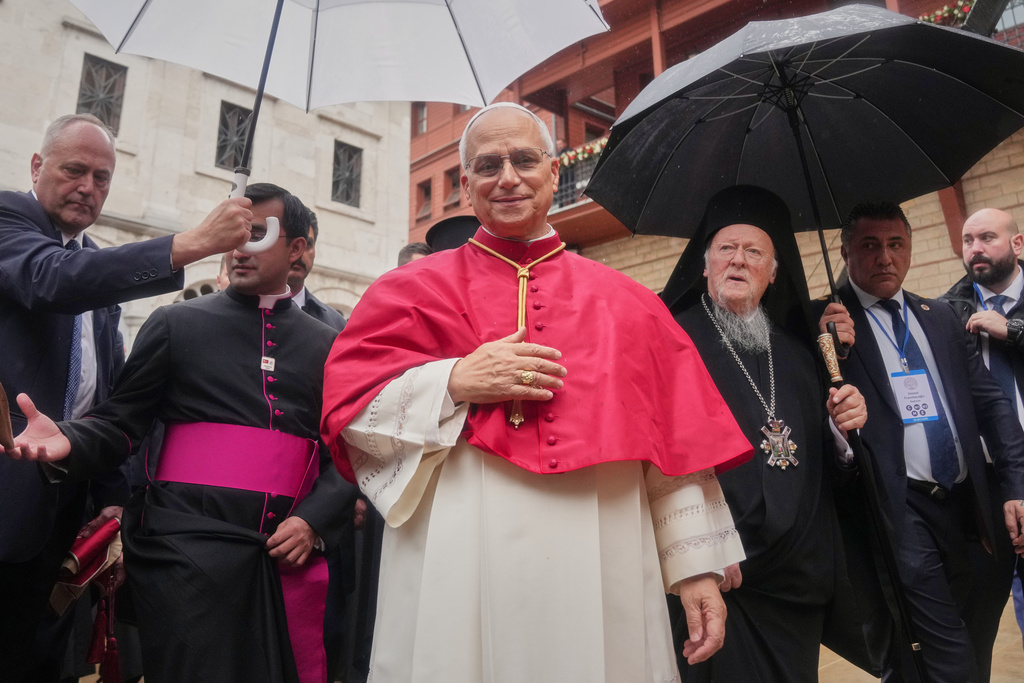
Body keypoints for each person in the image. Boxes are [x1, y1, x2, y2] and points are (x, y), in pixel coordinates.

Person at [320, 102, 753, 682]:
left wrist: (696, 570)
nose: (507, 177)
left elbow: (675, 452)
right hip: (459, 554)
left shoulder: (631, 304)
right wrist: (454, 380)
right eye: (487, 164)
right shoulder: (407, 291)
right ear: (466, 184)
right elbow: (351, 413)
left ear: (553, 173)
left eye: (524, 159)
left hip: (602, 554)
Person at [4, 183, 356, 683]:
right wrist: (69, 439)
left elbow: (350, 450)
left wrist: (315, 522)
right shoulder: (175, 324)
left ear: (297, 248)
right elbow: (120, 424)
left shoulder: (331, 344)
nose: (239, 246)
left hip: (285, 554)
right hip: (184, 557)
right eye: (233, 232)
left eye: (256, 233)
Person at [0, 113, 253, 681]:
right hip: (7, 489)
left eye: (102, 177)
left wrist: (113, 499)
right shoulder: (9, 223)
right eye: (74, 171)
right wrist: (192, 244)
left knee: (43, 659)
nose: (88, 187)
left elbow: (109, 399)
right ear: (37, 166)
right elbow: (52, 279)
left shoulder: (100, 271)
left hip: (67, 511)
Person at [662, 185, 867, 681]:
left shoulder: (799, 354)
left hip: (795, 581)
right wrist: (701, 550)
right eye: (725, 249)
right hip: (721, 574)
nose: (738, 261)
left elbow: (822, 462)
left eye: (753, 251)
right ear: (704, 266)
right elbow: (662, 459)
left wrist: (843, 431)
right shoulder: (672, 340)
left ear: (773, 274)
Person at [817, 201, 1024, 683]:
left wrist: (1016, 484)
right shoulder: (827, 326)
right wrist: (831, 351)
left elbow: (992, 406)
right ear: (846, 252)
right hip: (901, 511)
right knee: (948, 657)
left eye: (895, 244)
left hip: (971, 510)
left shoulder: (939, 316)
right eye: (869, 246)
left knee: (972, 649)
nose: (885, 257)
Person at [939, 207, 1024, 656]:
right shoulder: (948, 310)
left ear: (1017, 244)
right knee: (986, 613)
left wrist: (1012, 329)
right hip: (991, 481)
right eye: (968, 240)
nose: (975, 249)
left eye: (987, 237)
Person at [290, 211, 348, 331]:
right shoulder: (245, 311)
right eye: (293, 243)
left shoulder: (336, 324)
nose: (299, 253)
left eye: (308, 244)